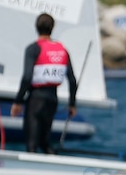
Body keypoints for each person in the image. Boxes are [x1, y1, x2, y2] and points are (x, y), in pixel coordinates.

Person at [10, 13, 78, 154]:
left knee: (32, 144)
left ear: (36, 27)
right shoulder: (62, 50)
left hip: (36, 99)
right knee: (45, 142)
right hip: (52, 100)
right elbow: (72, 80)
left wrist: (18, 102)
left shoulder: (33, 49)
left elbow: (27, 78)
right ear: (52, 28)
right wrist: (72, 104)